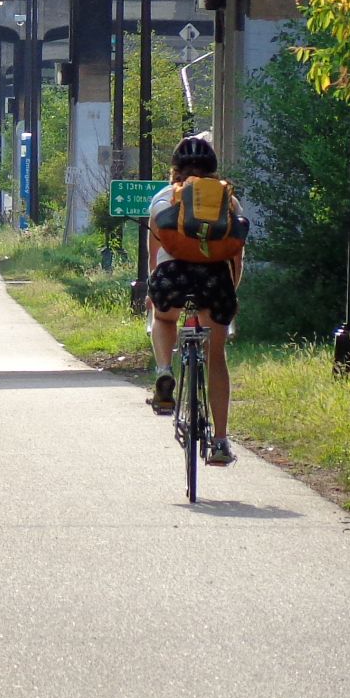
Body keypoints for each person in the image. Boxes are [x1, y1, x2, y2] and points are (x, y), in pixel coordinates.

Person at [144, 134, 245, 465]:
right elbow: (236, 258)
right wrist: (230, 293)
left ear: (174, 169)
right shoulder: (228, 202)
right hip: (214, 282)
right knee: (216, 357)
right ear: (213, 170)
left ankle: (163, 370)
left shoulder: (163, 198)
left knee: (162, 317)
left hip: (173, 279)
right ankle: (219, 442)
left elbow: (153, 254)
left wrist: (152, 292)